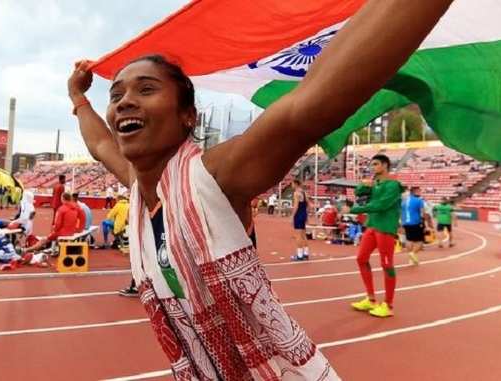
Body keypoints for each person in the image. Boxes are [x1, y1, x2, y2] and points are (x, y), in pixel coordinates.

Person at [69, 0, 451, 376]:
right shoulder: (140, 191)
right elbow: (101, 146)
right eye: (116, 95)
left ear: (188, 116)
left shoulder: (214, 174)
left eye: (146, 89)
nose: (124, 102)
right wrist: (79, 98)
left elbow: (308, 108)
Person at [349, 154, 404, 318]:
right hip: (372, 226)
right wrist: (362, 185)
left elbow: (381, 205)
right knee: (361, 258)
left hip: (385, 228)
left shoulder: (393, 185)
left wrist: (354, 210)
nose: (372, 167)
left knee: (387, 264)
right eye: (371, 164)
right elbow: (359, 193)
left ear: (385, 165)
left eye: (375, 164)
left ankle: (388, 304)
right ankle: (371, 299)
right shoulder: (375, 184)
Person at [401, 186, 429, 265]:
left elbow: (401, 212)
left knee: (409, 240)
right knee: (420, 241)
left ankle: (411, 259)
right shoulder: (419, 201)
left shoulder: (404, 201)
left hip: (406, 223)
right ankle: (413, 253)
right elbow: (422, 213)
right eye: (419, 191)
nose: (420, 193)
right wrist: (425, 223)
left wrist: (401, 223)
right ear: (415, 192)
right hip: (416, 223)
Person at [291, 179, 310, 261]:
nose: (291, 186)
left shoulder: (296, 193)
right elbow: (308, 204)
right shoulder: (304, 192)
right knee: (303, 235)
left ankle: (299, 255)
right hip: (304, 214)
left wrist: (292, 216)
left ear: (295, 184)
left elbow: (296, 206)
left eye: (292, 184)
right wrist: (307, 215)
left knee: (298, 235)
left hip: (298, 214)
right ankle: (306, 253)